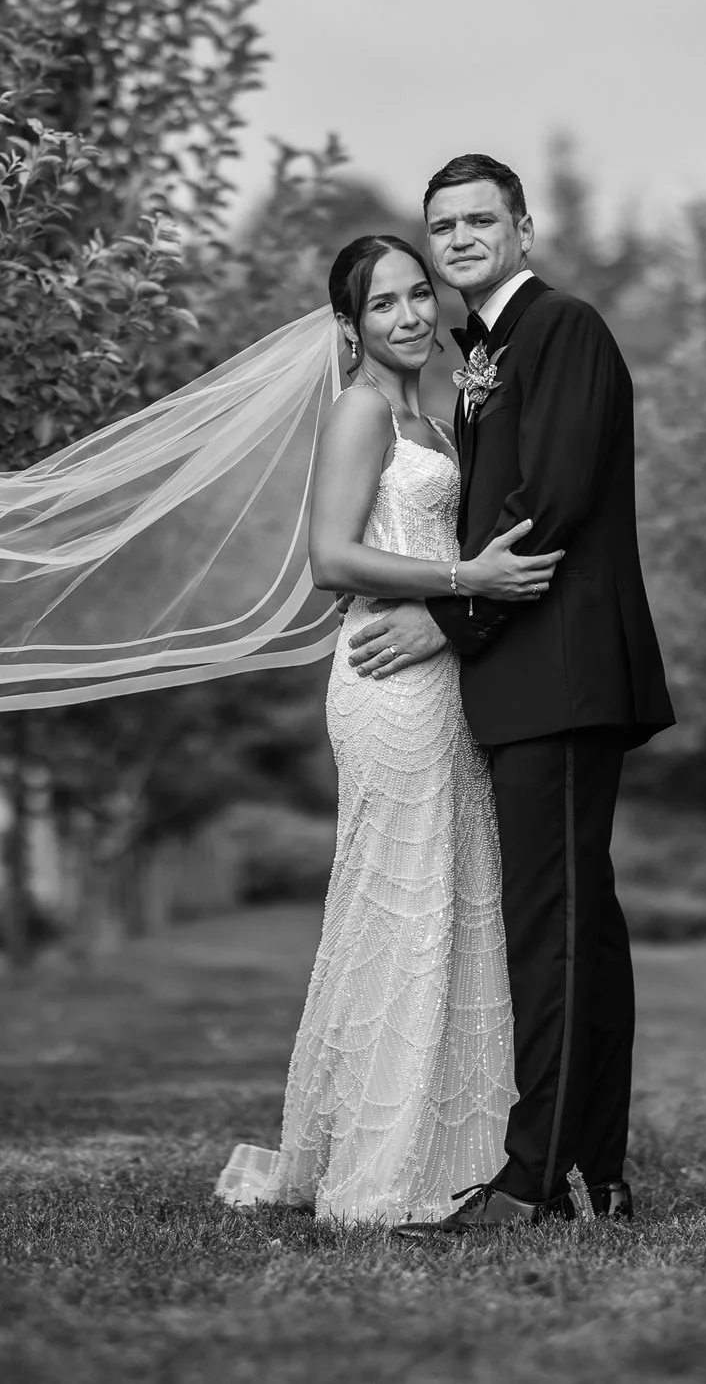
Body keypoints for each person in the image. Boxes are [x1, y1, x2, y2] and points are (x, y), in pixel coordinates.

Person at [349, 154, 674, 1239]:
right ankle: (595, 1175)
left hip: (564, 671)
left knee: (556, 933)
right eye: (441, 224)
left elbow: (551, 502)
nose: (458, 236)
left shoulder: (563, 327)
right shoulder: (485, 352)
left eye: (479, 218)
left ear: (524, 229)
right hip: (528, 679)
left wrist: (446, 618)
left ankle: (534, 1179)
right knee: (579, 931)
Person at [215, 233, 563, 1224]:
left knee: (443, 899)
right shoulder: (363, 407)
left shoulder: (435, 414)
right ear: (349, 326)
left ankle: (449, 1142)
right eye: (384, 305)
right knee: (400, 904)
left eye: (420, 295)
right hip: (385, 679)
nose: (410, 315)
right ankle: (383, 1162)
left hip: (439, 670)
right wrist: (465, 578)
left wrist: (453, 607)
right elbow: (330, 555)